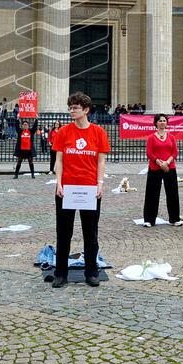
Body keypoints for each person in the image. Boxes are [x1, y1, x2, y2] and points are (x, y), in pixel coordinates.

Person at [51, 92, 109, 289]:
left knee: (90, 233)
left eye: (75, 108)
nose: (71, 111)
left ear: (86, 110)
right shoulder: (63, 132)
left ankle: (91, 272)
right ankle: (60, 273)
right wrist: (58, 182)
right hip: (67, 189)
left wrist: (100, 183)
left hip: (89, 188)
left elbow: (101, 161)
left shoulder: (99, 133)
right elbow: (59, 160)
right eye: (70, 107)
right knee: (63, 233)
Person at [142, 114, 183, 227]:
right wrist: (160, 163)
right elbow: (149, 153)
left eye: (164, 121)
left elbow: (175, 152)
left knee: (172, 193)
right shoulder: (151, 137)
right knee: (152, 194)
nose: (162, 123)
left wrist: (167, 162)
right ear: (156, 123)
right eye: (160, 121)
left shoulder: (171, 137)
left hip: (170, 167)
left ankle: (174, 218)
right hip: (155, 167)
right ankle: (149, 219)